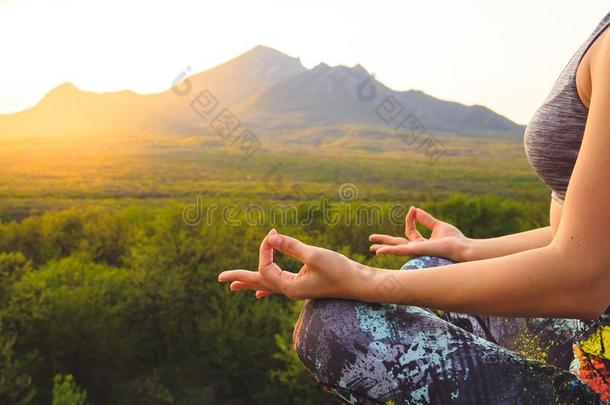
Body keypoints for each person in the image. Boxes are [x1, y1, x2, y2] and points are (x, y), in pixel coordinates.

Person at [218, 10, 610, 404]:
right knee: (433, 267)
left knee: (332, 328)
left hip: (599, 343)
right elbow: (585, 237)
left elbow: (585, 279)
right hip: (590, 322)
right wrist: (466, 248)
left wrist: (361, 279)